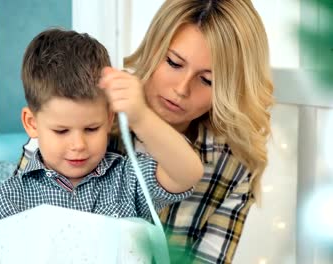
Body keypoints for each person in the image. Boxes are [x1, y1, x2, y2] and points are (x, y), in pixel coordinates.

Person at [19, 0, 274, 263]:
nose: (181, 89)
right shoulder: (86, 109)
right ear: (154, 48)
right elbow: (22, 218)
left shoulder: (234, 162)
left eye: (208, 80)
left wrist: (142, 119)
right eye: (174, 63)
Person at [0, 28, 203, 264]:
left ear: (109, 118)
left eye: (92, 129)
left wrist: (141, 117)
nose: (78, 145)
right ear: (32, 123)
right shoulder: (5, 202)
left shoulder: (127, 181)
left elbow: (186, 174)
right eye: (61, 131)